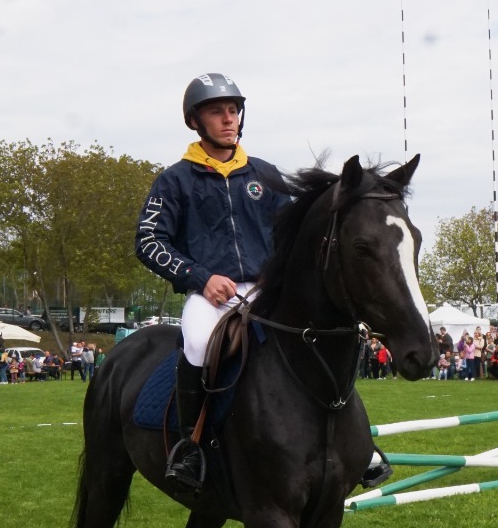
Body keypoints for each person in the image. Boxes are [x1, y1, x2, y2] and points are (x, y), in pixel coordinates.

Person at [135, 73, 389, 492]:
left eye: (233, 110)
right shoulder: (175, 180)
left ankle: (358, 442)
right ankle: (189, 446)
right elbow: (148, 241)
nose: (228, 119)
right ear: (195, 121)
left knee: (319, 336)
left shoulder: (264, 174)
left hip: (265, 287)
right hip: (211, 294)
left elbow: (292, 235)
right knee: (197, 342)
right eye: (216, 112)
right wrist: (200, 277)